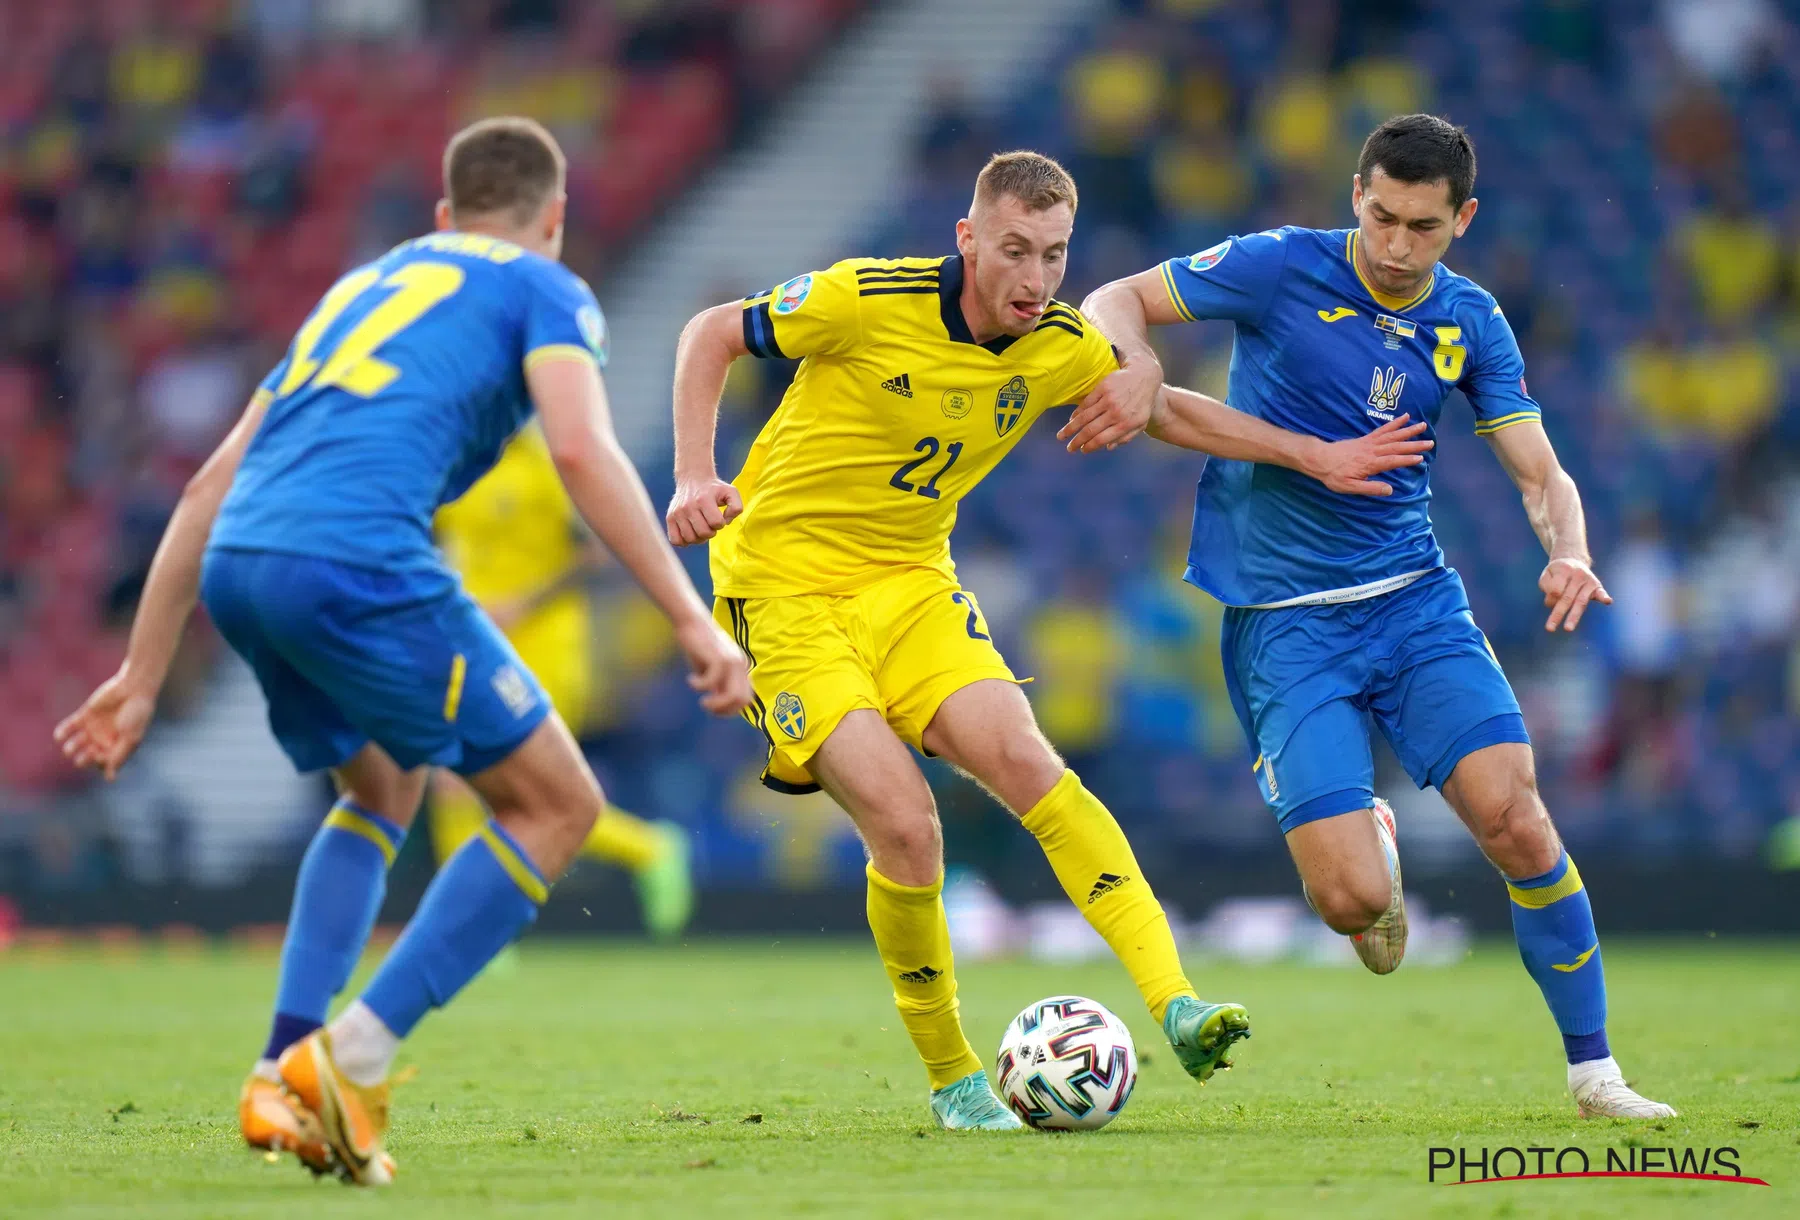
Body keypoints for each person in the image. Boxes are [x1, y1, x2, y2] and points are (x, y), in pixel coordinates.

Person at [664, 149, 1432, 1129]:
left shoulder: (1057, 340)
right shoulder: (863, 298)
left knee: (1033, 764)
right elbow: (709, 331)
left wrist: (1310, 452)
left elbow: (1158, 403)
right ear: (968, 238)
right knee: (904, 823)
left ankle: (1176, 1001)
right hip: (784, 593)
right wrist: (695, 473)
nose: (1033, 279)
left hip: (912, 587)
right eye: (1015, 250)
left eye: (1055, 254)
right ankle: (952, 1076)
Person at [54, 116, 751, 1184]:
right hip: (358, 560)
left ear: (442, 217)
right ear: (552, 220)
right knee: (556, 803)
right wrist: (691, 616)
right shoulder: (541, 285)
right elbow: (577, 443)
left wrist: (142, 677)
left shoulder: (356, 289)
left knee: (381, 785)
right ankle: (349, 1060)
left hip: (244, 560)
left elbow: (208, 484)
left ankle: (276, 1064)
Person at [1072, 113, 1674, 1119]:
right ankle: (1373, 844)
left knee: (1517, 817)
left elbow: (1540, 473)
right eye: (1383, 217)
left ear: (1462, 220)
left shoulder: (1472, 321)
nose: (1397, 247)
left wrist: (1569, 546)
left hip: (1413, 603)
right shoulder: (1276, 267)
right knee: (1352, 906)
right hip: (1284, 622)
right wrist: (1132, 359)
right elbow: (1111, 297)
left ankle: (1595, 1071)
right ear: (1357, 193)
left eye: (1423, 227)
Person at [432, 425, 695, 937]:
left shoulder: (549, 462)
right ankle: (467, 932)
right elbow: (444, 543)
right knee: (451, 783)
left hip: (545, 646)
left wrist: (522, 603)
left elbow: (594, 553)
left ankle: (649, 848)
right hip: (471, 642)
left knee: (534, 792)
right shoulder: (455, 461)